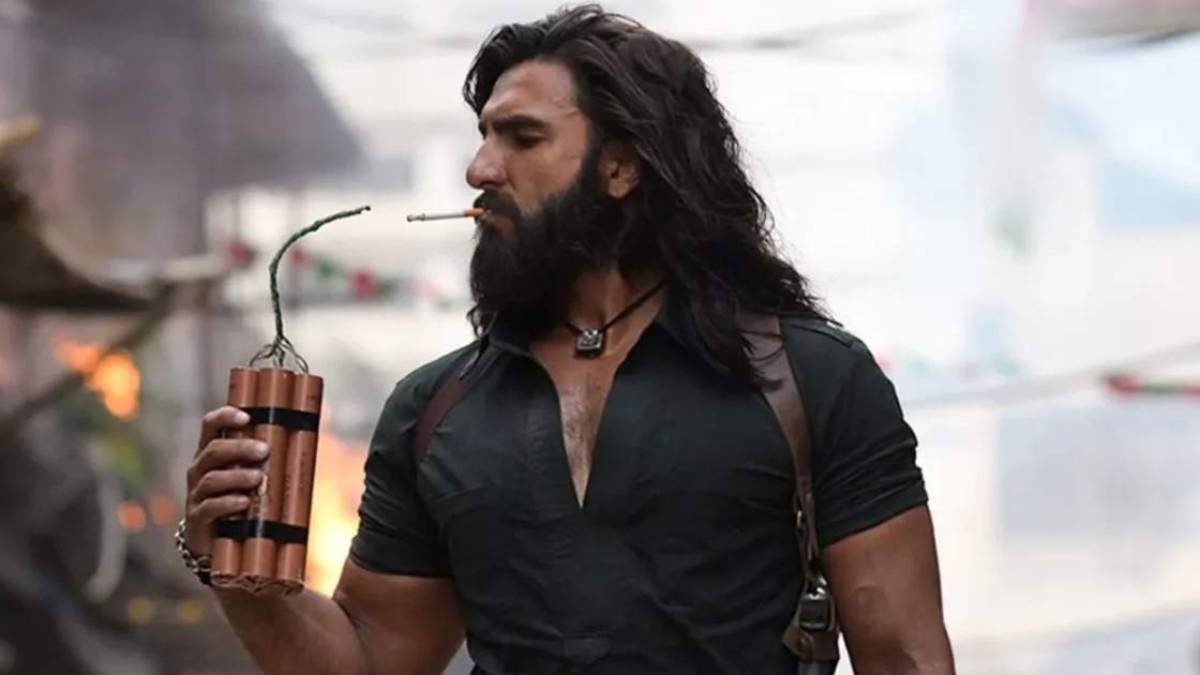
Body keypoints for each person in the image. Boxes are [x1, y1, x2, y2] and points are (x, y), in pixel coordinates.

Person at [180, 5, 955, 674]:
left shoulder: (808, 381)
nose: (480, 169)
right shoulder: (435, 409)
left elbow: (905, 657)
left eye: (522, 137)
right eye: (484, 136)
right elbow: (369, 659)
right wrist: (238, 570)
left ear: (620, 167)